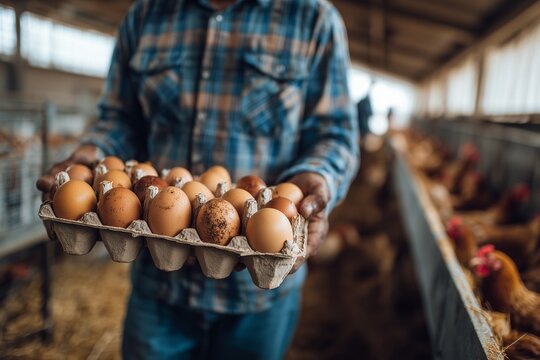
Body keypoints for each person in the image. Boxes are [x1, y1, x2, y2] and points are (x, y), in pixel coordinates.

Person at [37, 0, 359, 358]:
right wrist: (93, 153)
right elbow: (120, 119)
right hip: (159, 281)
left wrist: (317, 178)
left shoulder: (312, 18)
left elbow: (335, 135)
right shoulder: (146, 15)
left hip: (261, 293)